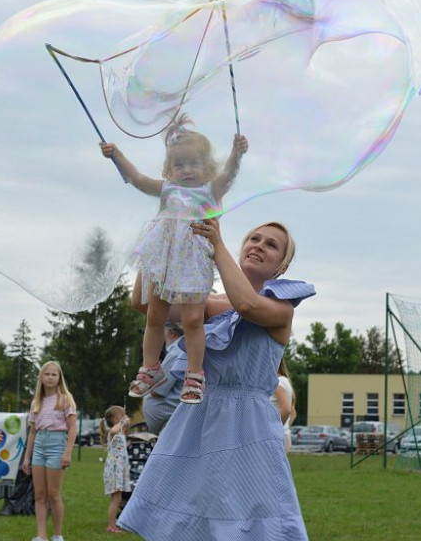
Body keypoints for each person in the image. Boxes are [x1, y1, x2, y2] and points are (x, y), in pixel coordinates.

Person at [118, 219, 314, 540]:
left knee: (249, 521)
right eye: (254, 238)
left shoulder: (282, 308)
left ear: (283, 265)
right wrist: (156, 250)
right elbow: (142, 302)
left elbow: (246, 304)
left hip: (248, 426)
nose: (259, 246)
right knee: (192, 519)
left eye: (271, 244)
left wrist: (216, 246)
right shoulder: (209, 303)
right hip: (197, 418)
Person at [101, 114, 247, 405]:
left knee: (193, 319)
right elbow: (137, 178)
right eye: (179, 164)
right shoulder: (168, 189)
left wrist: (236, 154)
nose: (187, 169)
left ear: (207, 167)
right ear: (169, 169)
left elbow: (229, 177)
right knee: (155, 316)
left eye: (194, 163)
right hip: (165, 260)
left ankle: (194, 375)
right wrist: (116, 155)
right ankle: (151, 369)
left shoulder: (210, 191)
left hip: (193, 260)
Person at [22, 360, 78, 541]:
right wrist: (26, 457)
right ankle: (41, 535)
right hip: (39, 445)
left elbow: (72, 429)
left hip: (57, 444)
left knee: (53, 495)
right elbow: (32, 432)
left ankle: (57, 535)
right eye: (47, 374)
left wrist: (67, 452)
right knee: (39, 494)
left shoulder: (65, 399)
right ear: (41, 377)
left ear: (59, 378)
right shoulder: (36, 402)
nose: (50, 377)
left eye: (54, 374)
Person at [140, 321, 185, 435]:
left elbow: (156, 391)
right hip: (172, 421)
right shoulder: (180, 350)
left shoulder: (176, 352)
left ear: (171, 333)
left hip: (172, 423)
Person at [100, 405, 131, 534]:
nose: (123, 417)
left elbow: (125, 433)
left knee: (118, 498)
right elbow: (113, 431)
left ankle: (114, 524)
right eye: (120, 416)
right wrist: (123, 422)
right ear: (114, 419)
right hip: (114, 469)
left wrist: (126, 425)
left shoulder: (120, 433)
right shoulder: (112, 433)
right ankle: (111, 526)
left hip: (119, 468)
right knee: (116, 499)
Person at [270, 358, 296, 453]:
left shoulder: (277, 382)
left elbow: (286, 410)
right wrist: (285, 428)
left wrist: (275, 428)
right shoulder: (284, 381)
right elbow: (293, 412)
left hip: (275, 437)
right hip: (283, 436)